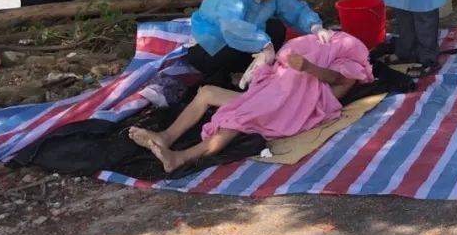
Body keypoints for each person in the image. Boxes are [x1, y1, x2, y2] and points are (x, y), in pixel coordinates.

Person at [129, 31, 373, 173]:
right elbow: (285, 68)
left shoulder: (349, 68)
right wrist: (271, 65)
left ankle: (182, 157)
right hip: (271, 95)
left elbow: (338, 80)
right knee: (206, 92)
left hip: (287, 110)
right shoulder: (317, 50)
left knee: (237, 119)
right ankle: (166, 136)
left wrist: (309, 67)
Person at [186, 0, 329, 87]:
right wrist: (265, 45)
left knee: (276, 28)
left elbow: (295, 9)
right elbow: (231, 28)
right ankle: (220, 83)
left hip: (243, 40)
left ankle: (257, 73)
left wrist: (315, 27)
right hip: (209, 46)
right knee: (226, 57)